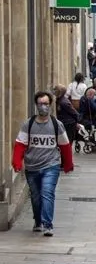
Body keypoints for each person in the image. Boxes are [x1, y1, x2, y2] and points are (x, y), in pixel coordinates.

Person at [12, 91, 74, 236]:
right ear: (36, 105)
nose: (43, 107)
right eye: (40, 104)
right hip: (32, 167)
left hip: (51, 166)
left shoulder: (56, 125)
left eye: (46, 104)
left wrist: (67, 164)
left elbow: (65, 145)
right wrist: (17, 162)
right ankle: (38, 220)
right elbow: (20, 144)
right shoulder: (28, 124)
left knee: (47, 193)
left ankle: (47, 224)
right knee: (35, 196)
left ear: (50, 105)